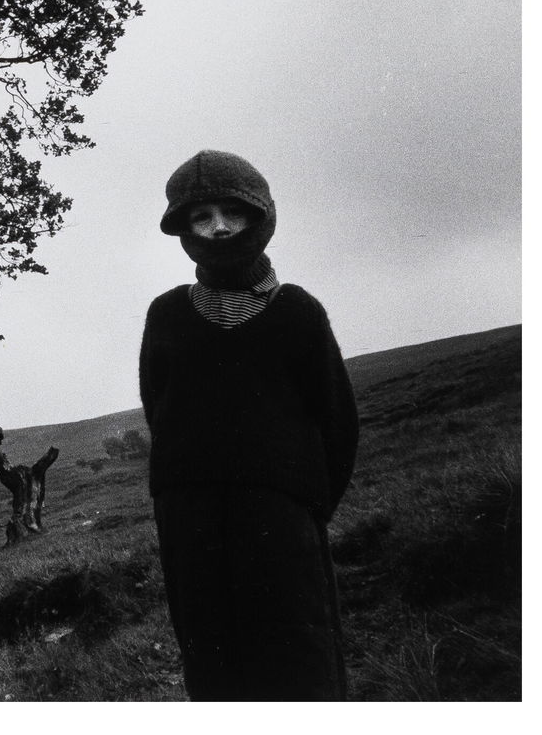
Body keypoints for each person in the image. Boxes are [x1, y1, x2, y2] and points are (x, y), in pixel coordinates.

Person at [139, 149, 359, 701]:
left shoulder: (298, 312)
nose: (217, 228)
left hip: (281, 522)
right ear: (183, 229)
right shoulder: (166, 315)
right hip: (190, 523)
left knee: (299, 659)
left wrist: (297, 508)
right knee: (214, 662)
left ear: (259, 216)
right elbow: (159, 413)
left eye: (230, 212)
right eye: (200, 216)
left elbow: (337, 424)